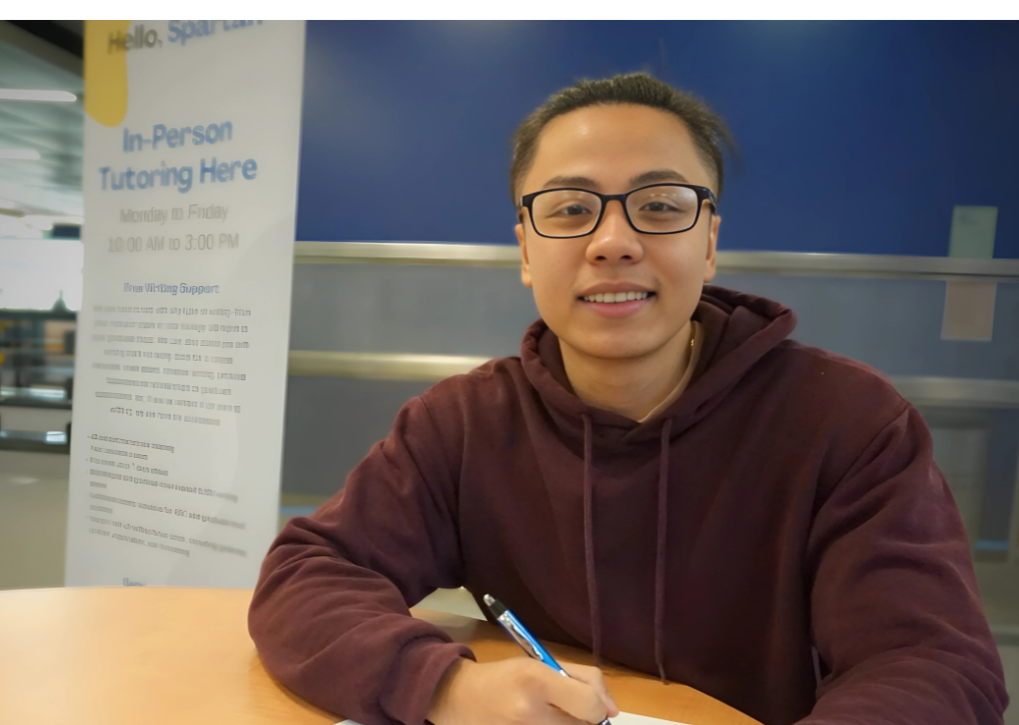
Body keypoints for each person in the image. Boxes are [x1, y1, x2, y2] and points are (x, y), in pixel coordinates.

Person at [248, 73, 1008, 725]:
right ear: (524, 248)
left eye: (660, 204)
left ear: (709, 240)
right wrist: (448, 685)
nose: (612, 240)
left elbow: (936, 661)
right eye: (572, 208)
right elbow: (309, 571)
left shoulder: (847, 423)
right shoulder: (465, 424)